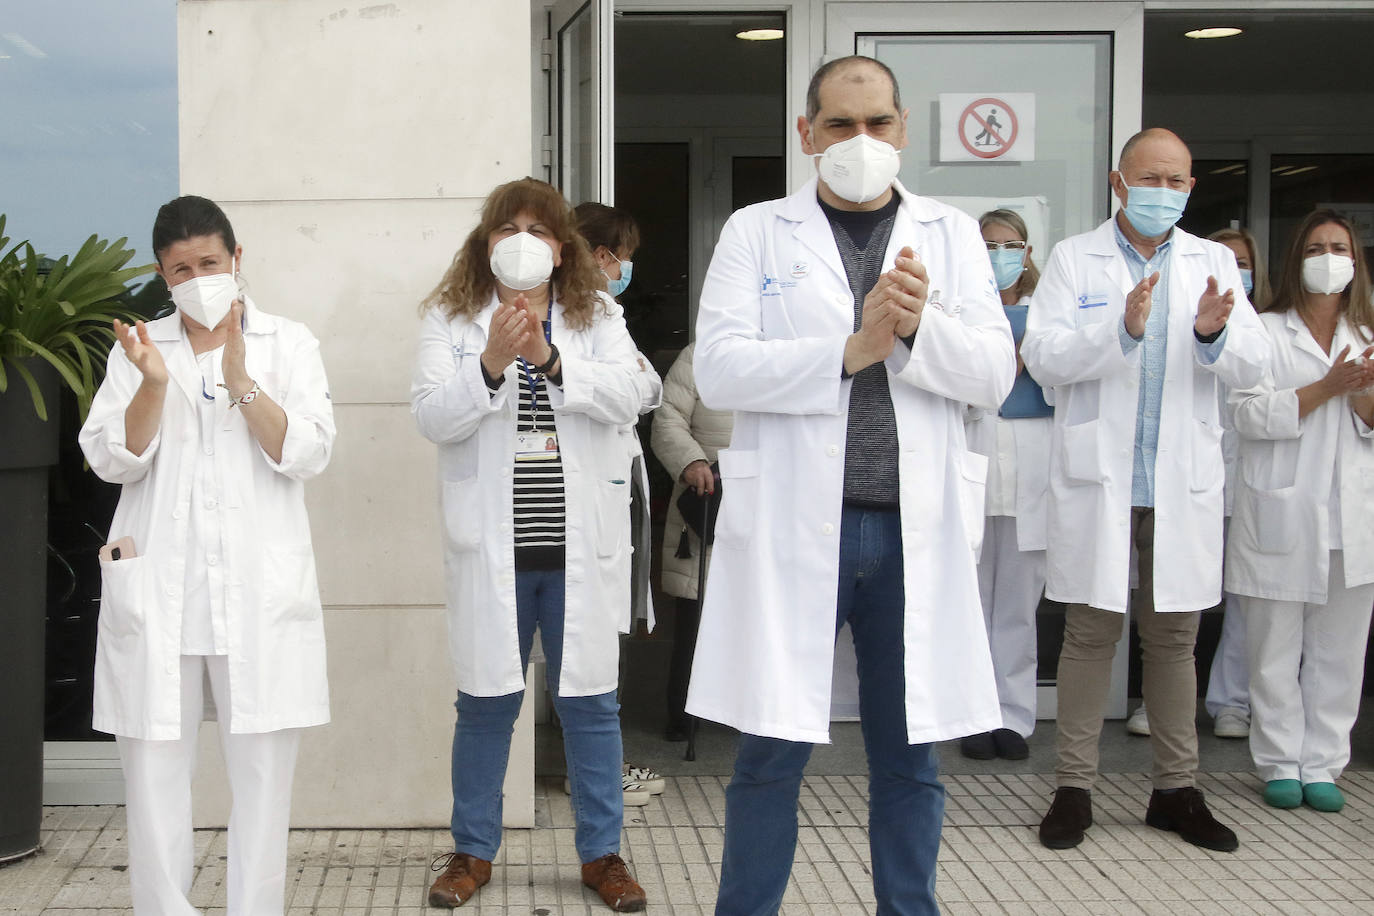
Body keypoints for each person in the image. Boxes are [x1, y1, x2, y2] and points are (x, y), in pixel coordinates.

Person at [689, 56, 1014, 914]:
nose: (860, 140)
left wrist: (917, 329)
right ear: (807, 133)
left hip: (911, 530)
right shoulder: (757, 231)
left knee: (909, 755)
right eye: (839, 123)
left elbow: (993, 373)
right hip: (800, 526)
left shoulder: (951, 233)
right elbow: (719, 369)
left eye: (877, 123)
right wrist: (849, 352)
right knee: (770, 752)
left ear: (902, 129)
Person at [79, 195, 335, 915]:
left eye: (209, 263)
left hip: (258, 587)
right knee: (154, 772)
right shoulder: (138, 349)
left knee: (263, 776)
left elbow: (308, 451)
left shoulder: (289, 343)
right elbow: (112, 459)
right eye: (181, 269)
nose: (197, 279)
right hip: (163, 586)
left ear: (237, 258)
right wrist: (155, 384)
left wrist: (242, 382)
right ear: (163, 275)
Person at [412, 178, 656, 912]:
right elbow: (432, 416)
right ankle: (471, 852)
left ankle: (603, 855)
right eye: (507, 228)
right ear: (484, 242)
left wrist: (551, 359)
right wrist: (489, 361)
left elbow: (633, 394)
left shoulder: (597, 314)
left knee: (591, 704)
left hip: (577, 547)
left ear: (561, 247)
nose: (523, 242)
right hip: (496, 550)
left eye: (539, 230)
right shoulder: (451, 317)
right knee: (486, 703)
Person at [1023, 128, 1269, 853]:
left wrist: (1213, 336)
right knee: (1089, 633)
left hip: (1179, 482)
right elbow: (1042, 356)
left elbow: (1256, 365)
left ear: (1190, 187)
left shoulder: (1212, 262)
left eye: (1177, 180)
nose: (1164, 191)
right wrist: (1121, 332)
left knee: (1174, 638)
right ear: (1119, 181)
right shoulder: (1074, 258)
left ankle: (1176, 790)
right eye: (1150, 178)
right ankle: (1074, 788)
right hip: (1100, 477)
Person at [1225, 209, 1374, 813]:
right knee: (1273, 650)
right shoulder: (1262, 330)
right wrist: (1325, 388)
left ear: (1356, 262)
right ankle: (1280, 762)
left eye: (1339, 247)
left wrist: (1360, 393)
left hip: (1352, 517)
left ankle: (1324, 764)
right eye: (1316, 247)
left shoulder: (1368, 332)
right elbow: (1244, 414)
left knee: (1341, 653)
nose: (1328, 258)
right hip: (1281, 511)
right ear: (1296, 259)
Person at [1130, 226, 1271, 742]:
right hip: (1175, 476)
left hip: (1232, 476)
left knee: (1228, 602)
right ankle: (1155, 707)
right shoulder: (1175, 298)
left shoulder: (1254, 323)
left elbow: (1252, 370)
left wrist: (1213, 335)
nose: (1233, 269)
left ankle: (1228, 704)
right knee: (1152, 607)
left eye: (1243, 262)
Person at [571, 200, 666, 801]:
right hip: (595, 487)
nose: (626, 269)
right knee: (595, 634)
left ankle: (603, 765)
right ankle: (599, 771)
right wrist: (626, 384)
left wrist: (630, 383)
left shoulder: (606, 313)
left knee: (613, 624)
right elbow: (633, 392)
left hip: (616, 478)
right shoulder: (587, 314)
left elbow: (648, 385)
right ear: (605, 256)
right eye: (623, 257)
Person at [961, 208, 1051, 761]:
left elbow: (1067, 378)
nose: (1000, 256)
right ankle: (972, 714)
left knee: (1017, 604)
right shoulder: (958, 310)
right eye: (989, 245)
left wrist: (1031, 357)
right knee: (969, 601)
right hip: (975, 455)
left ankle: (1012, 716)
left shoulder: (1047, 312)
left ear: (1027, 252)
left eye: (1010, 245)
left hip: (1031, 468)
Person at [649, 341, 733, 741]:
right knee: (694, 621)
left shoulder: (786, 348)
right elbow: (667, 418)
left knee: (760, 620)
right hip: (707, 501)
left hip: (767, 506)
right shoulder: (699, 355)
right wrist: (691, 461)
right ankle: (683, 716)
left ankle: (749, 715)